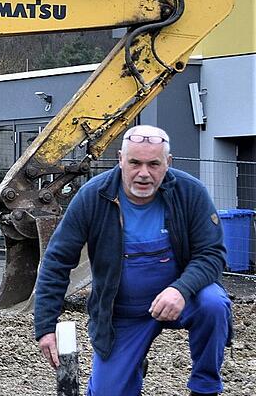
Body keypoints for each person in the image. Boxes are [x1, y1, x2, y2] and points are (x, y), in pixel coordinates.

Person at [34, 125, 232, 396]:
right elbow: (57, 261)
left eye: (154, 164)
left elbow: (211, 254)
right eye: (135, 163)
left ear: (168, 163)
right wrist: (46, 326)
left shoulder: (190, 193)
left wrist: (181, 289)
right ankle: (130, 367)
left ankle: (204, 387)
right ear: (120, 160)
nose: (143, 173)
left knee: (213, 303)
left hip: (182, 300)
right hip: (122, 314)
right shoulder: (94, 196)